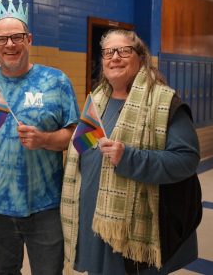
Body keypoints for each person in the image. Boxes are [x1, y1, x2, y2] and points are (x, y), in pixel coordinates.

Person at [61, 29, 203, 275]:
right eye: (108, 52)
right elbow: (83, 150)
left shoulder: (164, 102)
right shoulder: (96, 99)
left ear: (141, 57)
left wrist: (129, 158)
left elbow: (187, 159)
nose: (114, 57)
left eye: (123, 51)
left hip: (133, 228)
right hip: (94, 219)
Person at [0, 0, 80, 275]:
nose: (10, 44)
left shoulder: (56, 81)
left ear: (29, 39)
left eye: (17, 37)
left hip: (46, 206)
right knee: (5, 270)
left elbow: (74, 137)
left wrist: (45, 140)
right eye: (2, 38)